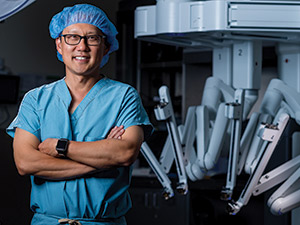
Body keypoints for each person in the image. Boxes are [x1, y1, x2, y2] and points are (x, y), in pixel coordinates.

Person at [6, 4, 152, 225]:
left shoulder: (124, 97)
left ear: (105, 46)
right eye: (72, 37)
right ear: (59, 44)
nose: (82, 47)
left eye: (92, 38)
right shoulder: (35, 100)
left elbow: (125, 153)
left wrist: (59, 147)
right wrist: (101, 161)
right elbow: (25, 162)